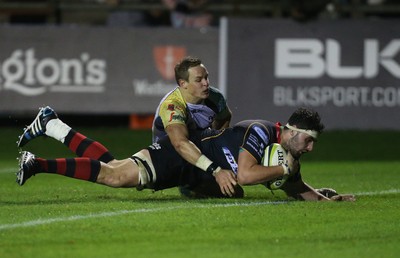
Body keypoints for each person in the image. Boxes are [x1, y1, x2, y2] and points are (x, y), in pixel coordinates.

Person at [17, 106, 355, 201]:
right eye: (308, 141)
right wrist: (281, 173)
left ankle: (52, 125)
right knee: (116, 176)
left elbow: (296, 185)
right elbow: (246, 175)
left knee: (112, 164)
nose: (310, 148)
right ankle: (37, 163)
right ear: (292, 131)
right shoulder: (261, 131)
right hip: (182, 157)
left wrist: (325, 200)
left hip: (191, 173)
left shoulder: (286, 154)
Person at [152, 56, 235, 196]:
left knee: (234, 192)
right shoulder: (172, 105)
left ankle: (193, 182)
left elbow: (225, 117)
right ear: (183, 83)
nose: (206, 83)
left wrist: (218, 144)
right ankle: (188, 181)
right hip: (168, 158)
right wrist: (216, 170)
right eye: (198, 80)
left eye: (206, 77)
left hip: (197, 150)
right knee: (117, 177)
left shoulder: (215, 98)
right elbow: (180, 143)